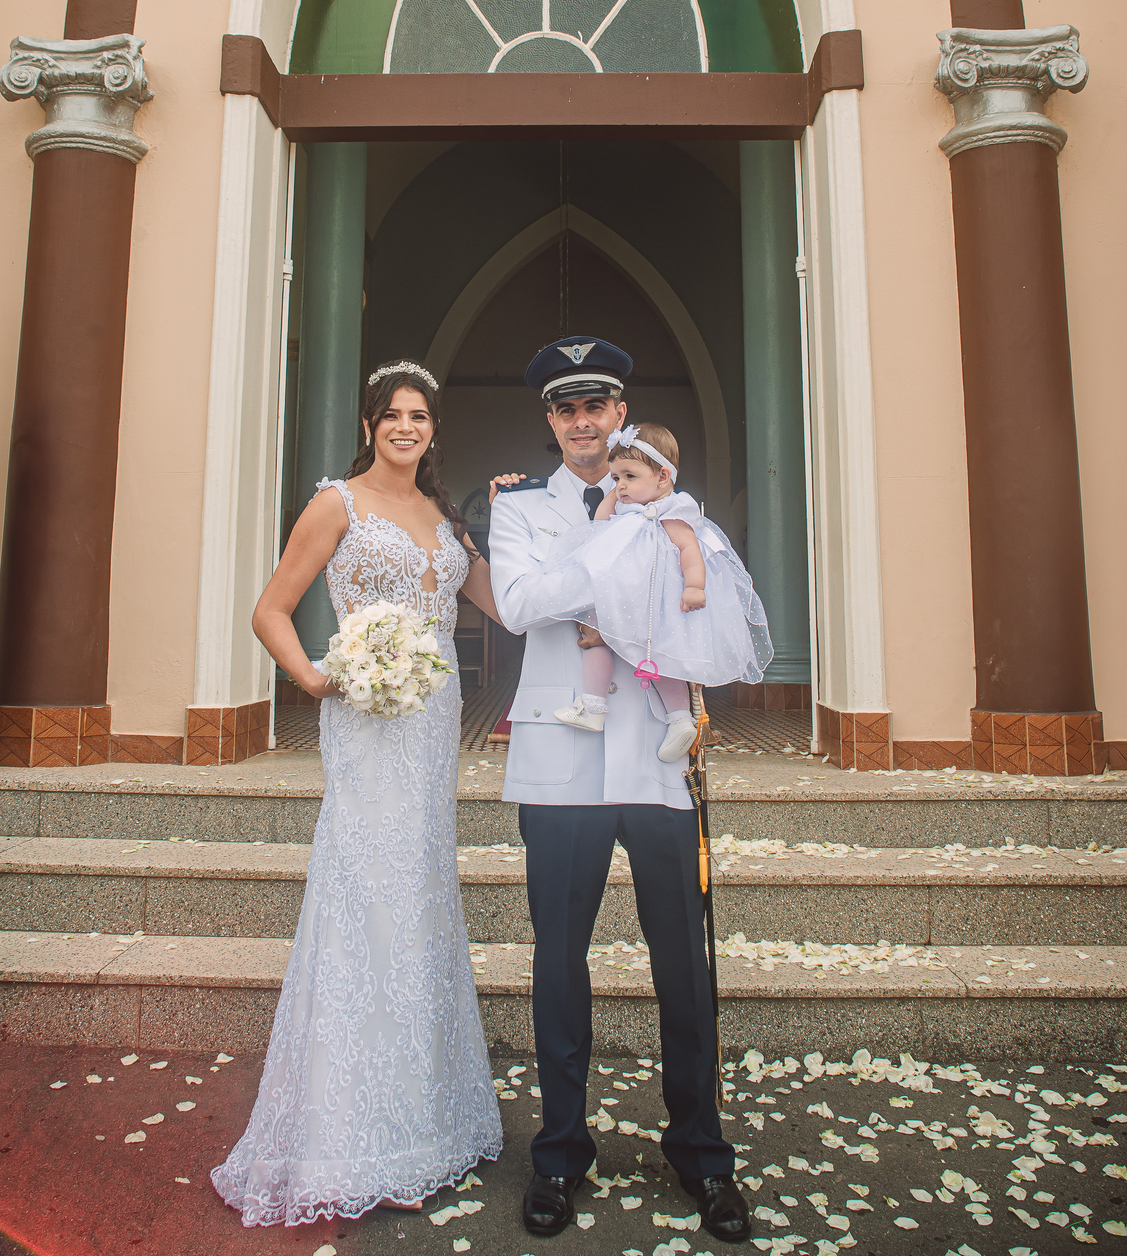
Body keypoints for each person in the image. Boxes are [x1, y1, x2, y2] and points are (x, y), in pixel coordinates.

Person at [212, 362, 502, 1227]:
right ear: (371, 424)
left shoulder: (446, 519)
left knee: (419, 901)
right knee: (367, 902)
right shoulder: (336, 504)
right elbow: (271, 609)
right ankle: (356, 1136)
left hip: (432, 728)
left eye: (420, 416)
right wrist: (313, 678)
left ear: (434, 430)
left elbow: (506, 604)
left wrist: (541, 529)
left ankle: (423, 1123)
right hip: (368, 724)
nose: (406, 427)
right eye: (392, 415)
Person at [488, 338, 751, 1245]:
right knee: (560, 959)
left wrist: (614, 566)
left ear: (620, 412)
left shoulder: (670, 499)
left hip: (654, 754)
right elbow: (519, 606)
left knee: (684, 962)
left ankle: (702, 1154)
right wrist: (613, 553)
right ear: (550, 420)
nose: (583, 421)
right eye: (566, 408)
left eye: (596, 405)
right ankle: (561, 1152)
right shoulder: (519, 508)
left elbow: (702, 600)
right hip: (561, 755)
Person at [548, 421, 774, 762]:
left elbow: (690, 551)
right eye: (616, 478)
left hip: (659, 605)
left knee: (664, 659)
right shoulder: (625, 509)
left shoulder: (671, 512)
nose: (621, 485)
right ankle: (592, 705)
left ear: (663, 477)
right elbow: (599, 524)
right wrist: (614, 493)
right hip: (625, 599)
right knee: (595, 636)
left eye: (629, 476)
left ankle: (680, 720)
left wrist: (694, 586)